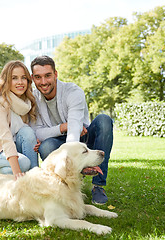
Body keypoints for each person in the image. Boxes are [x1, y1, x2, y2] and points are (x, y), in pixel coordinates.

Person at [30, 55, 113, 205]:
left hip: (83, 138)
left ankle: (98, 186)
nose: (43, 82)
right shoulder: (33, 98)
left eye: (48, 76)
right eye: (38, 77)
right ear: (32, 78)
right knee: (46, 146)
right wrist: (62, 127)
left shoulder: (73, 91)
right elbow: (37, 132)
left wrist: (75, 157)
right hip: (57, 141)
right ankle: (62, 186)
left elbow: (74, 129)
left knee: (104, 121)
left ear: (55, 74)